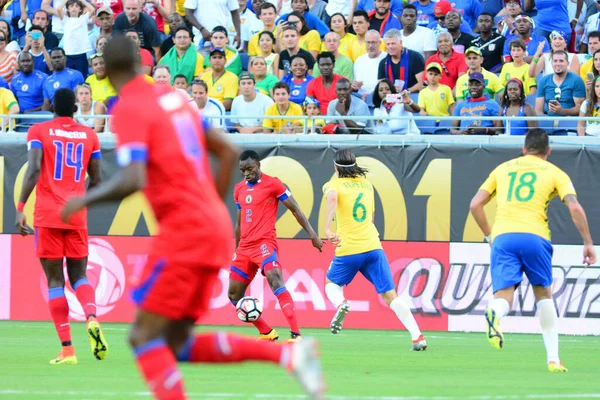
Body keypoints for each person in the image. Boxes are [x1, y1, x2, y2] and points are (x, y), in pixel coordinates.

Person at [60, 36, 324, 400]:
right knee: (174, 342)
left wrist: (82, 200)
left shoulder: (130, 107)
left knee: (143, 336)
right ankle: (288, 354)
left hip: (184, 232)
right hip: (210, 228)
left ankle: (288, 354)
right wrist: (210, 206)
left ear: (104, 68)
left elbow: (133, 178)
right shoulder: (173, 100)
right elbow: (227, 153)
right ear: (141, 65)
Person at [469, 128, 595, 372]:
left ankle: (494, 313)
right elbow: (575, 207)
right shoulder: (556, 173)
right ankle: (553, 360)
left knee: (504, 296)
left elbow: (475, 204)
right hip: (535, 236)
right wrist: (588, 243)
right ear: (548, 151)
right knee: (543, 296)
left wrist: (489, 236)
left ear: (524, 149)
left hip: (504, 236)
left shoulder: (502, 168)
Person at [16, 88, 106, 365]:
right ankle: (91, 316)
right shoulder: (90, 135)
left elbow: (32, 169)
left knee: (55, 280)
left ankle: (67, 350)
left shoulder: (39, 131)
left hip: (48, 215)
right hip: (76, 215)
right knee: (80, 276)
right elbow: (98, 180)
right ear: (77, 109)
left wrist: (20, 207)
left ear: (53, 107)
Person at [323, 148, 428, 351]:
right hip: (373, 246)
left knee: (331, 284)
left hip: (349, 247)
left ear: (336, 167)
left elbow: (333, 198)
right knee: (391, 296)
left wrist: (328, 227)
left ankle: (341, 303)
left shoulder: (333, 184)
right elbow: (370, 217)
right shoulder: (367, 185)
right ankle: (418, 337)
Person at [230, 150, 322, 341]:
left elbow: (295, 209)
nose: (246, 173)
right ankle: (266, 332)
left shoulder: (273, 184)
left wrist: (312, 234)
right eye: (243, 170)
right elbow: (239, 223)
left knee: (275, 279)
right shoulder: (239, 189)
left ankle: (296, 334)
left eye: (250, 169)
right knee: (233, 295)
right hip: (244, 248)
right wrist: (236, 249)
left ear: (259, 165)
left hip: (264, 243)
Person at [535, 51, 586, 117]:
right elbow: (538, 111)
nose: (558, 64)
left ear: (567, 64)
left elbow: (581, 109)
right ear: (551, 63)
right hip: (550, 122)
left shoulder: (576, 80)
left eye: (561, 61)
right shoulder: (544, 81)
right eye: (555, 61)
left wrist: (562, 111)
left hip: (569, 123)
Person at [56, 0, 95, 79]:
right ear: (68, 9)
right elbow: (58, 9)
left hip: (81, 53)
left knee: (82, 77)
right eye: (71, 6)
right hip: (68, 54)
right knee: (69, 77)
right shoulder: (65, 20)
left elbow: (92, 9)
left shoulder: (84, 19)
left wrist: (82, 1)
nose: (74, 8)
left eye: (77, 6)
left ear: (80, 9)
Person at [378, 29, 425, 93]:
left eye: (393, 43)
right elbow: (380, 86)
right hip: (392, 97)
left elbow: (422, 82)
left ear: (400, 42)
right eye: (388, 44)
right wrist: (390, 88)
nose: (390, 46)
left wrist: (406, 91)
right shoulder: (383, 63)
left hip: (413, 95)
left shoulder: (415, 57)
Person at [353, 30, 387, 101]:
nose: (370, 46)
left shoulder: (386, 59)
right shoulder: (359, 60)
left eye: (373, 42)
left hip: (380, 99)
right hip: (360, 99)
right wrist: (354, 86)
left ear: (380, 43)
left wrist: (370, 95)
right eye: (368, 42)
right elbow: (356, 82)